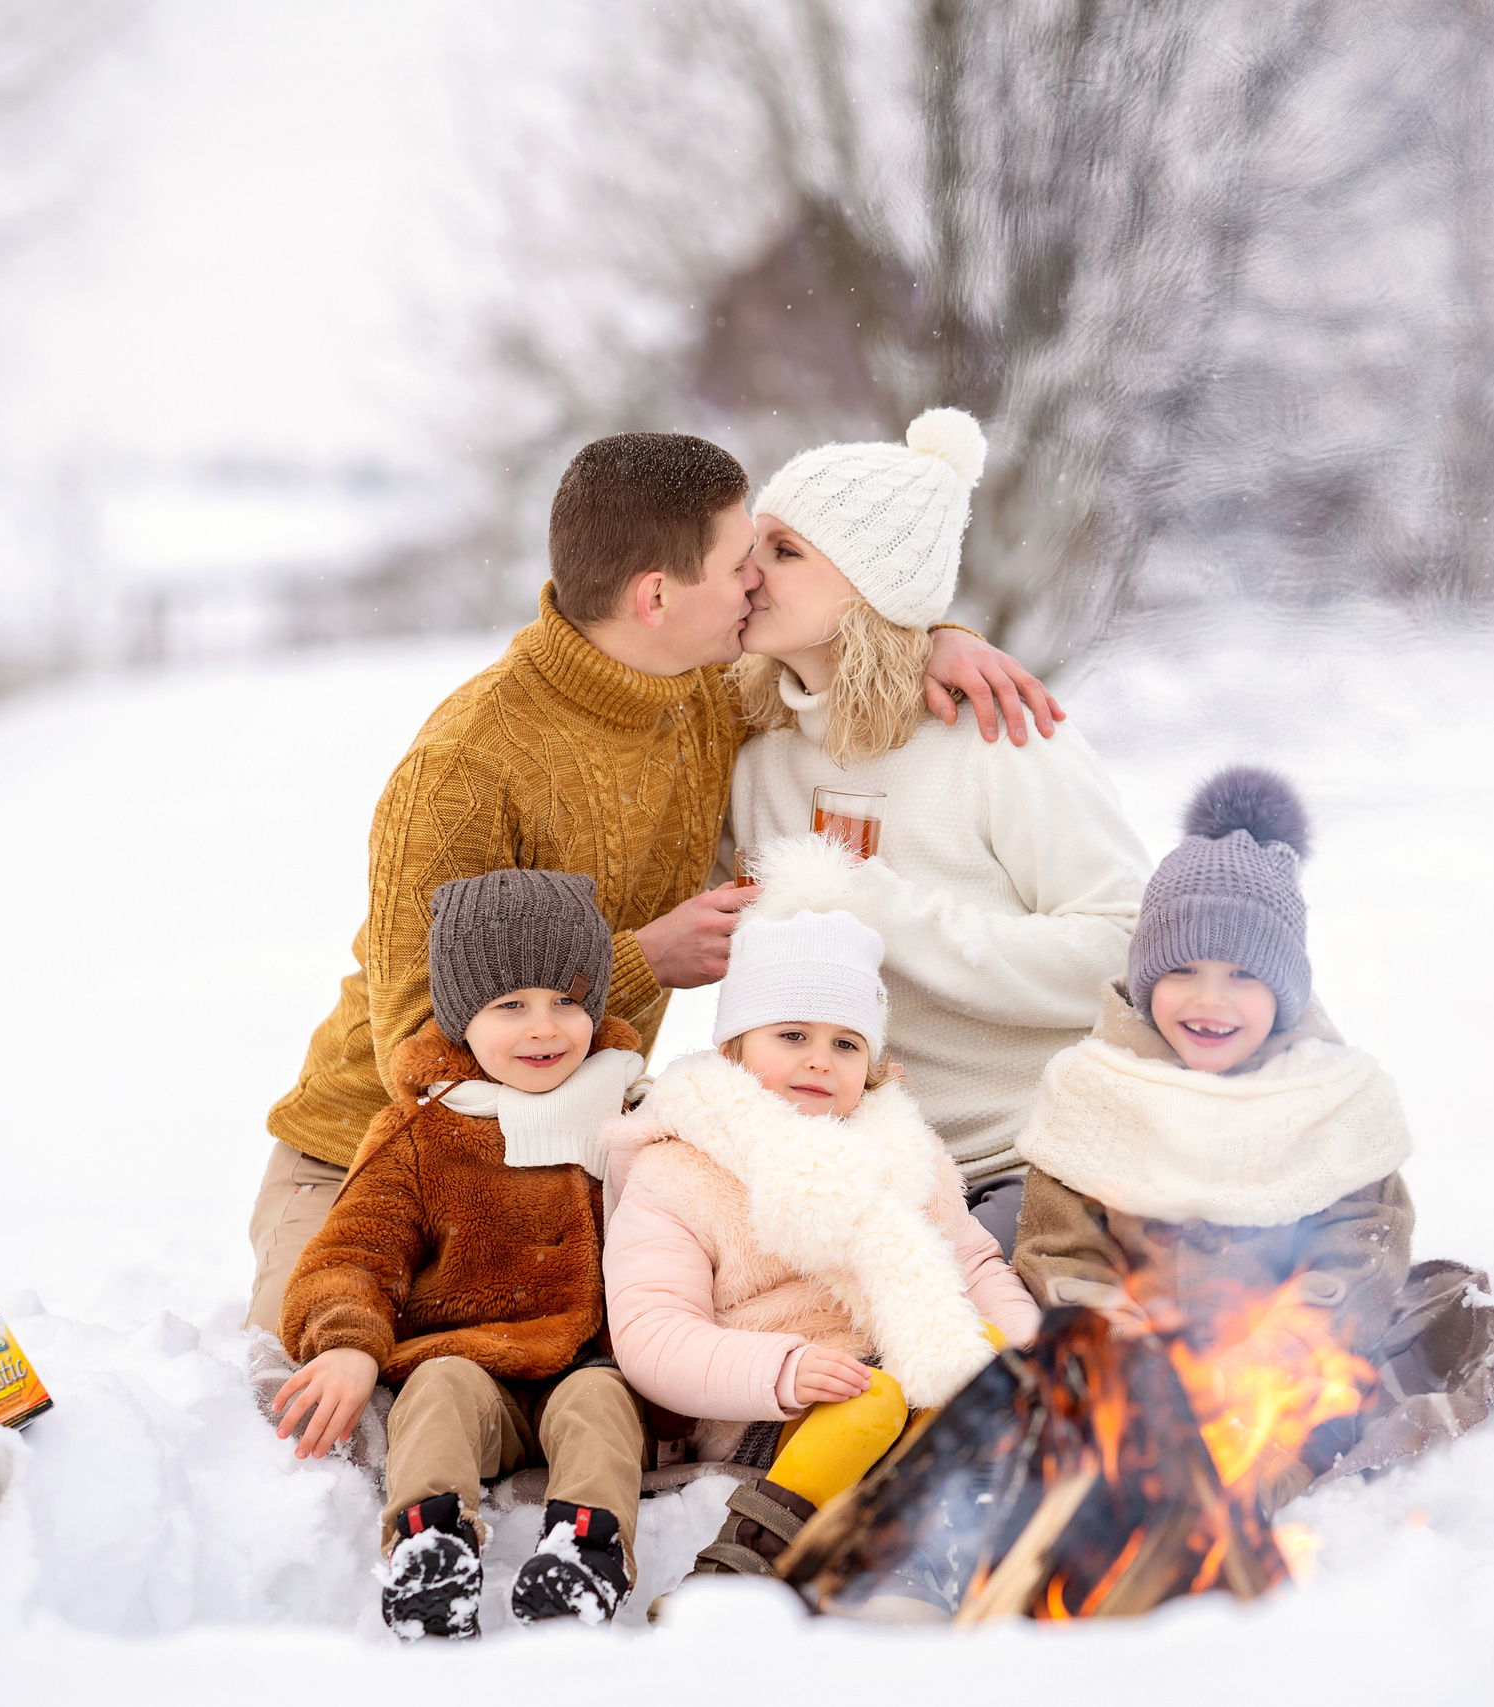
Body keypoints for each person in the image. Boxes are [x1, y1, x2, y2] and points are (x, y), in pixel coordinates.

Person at [246, 430, 1067, 1335]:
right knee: (341, 1403)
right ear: (656, 596)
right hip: (377, 1160)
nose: (759, 578)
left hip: (571, 1162)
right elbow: (415, 1038)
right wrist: (641, 959)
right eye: (739, 562)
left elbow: (839, 652)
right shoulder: (465, 767)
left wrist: (933, 641)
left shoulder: (704, 695)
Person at [724, 408, 1151, 1252]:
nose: (749, 571)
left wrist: (885, 916)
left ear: (870, 584)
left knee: (970, 1333)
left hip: (1026, 1159)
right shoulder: (752, 749)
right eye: (752, 545)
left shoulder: (999, 734)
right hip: (844, 1163)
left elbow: (1129, 951)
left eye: (784, 550)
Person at [599, 833, 1040, 1585]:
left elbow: (970, 1261)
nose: (819, 1060)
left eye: (845, 1043)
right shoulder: (680, 1165)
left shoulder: (904, 1150)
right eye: (792, 1034)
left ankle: (939, 1545)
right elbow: (652, 1329)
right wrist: (785, 1369)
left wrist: (1030, 1353)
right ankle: (742, 1558)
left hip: (896, 1374)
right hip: (763, 1405)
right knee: (875, 1400)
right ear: (736, 1045)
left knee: (982, 1361)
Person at [1010, 767, 1417, 1516]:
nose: (1209, 999)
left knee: (1289, 1429)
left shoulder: (1329, 1096)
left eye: (1242, 975)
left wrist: (1285, 1341)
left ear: (1285, 988)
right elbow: (1058, 1246)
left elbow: (1364, 1238)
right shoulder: (1097, 1089)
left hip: (1276, 1364)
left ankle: (1225, 1506)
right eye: (1184, 969)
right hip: (1139, 1363)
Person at [271, 869, 656, 1638]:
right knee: (439, 1389)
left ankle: (586, 1551)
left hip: (582, 1365)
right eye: (510, 1004)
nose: (544, 1028)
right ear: (460, 1015)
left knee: (601, 1407)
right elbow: (354, 1251)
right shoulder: (425, 1131)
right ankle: (430, 1544)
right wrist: (348, 1344)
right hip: (466, 1361)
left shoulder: (636, 1114)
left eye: (568, 1001)